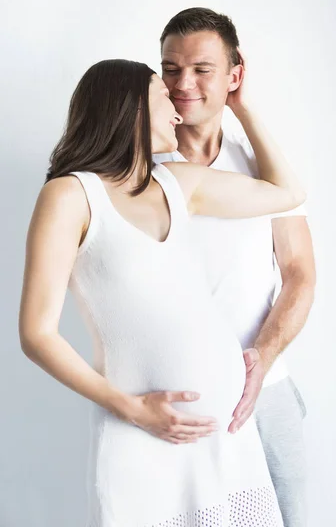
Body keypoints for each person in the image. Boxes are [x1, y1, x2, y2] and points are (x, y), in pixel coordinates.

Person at [19, 58, 305, 527]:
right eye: (161, 98)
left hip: (228, 442)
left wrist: (243, 109)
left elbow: (288, 192)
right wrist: (130, 408)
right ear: (127, 109)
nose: (176, 111)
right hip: (145, 435)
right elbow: (37, 334)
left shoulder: (179, 185)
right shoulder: (70, 196)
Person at [154, 8, 316, 527]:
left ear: (234, 75)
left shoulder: (265, 168)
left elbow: (299, 272)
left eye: (202, 69)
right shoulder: (138, 171)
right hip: (184, 405)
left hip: (268, 395)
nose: (184, 84)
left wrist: (261, 359)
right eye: (171, 69)